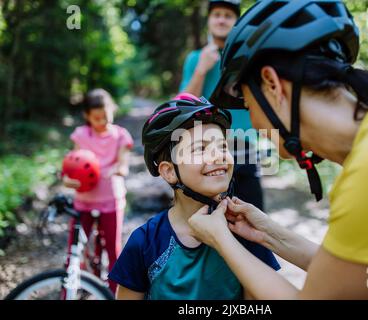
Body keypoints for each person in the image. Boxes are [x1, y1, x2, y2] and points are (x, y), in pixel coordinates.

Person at [188, 0, 368, 299]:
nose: (256, 123)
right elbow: (363, 275)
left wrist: (222, 240)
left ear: (272, 84)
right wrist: (268, 234)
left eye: (248, 105)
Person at [108, 94, 280, 300]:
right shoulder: (144, 243)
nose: (218, 155)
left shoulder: (246, 233)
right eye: (200, 149)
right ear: (169, 172)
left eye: (223, 146)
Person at [179, 0, 265, 210]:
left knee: (252, 218)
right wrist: (201, 69)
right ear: (208, 20)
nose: (221, 19)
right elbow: (180, 106)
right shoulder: (196, 58)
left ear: (236, 23)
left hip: (245, 145)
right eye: (216, 14)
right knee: (209, 216)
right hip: (207, 146)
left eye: (228, 15)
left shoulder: (249, 57)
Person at [63, 88, 133, 294]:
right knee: (75, 249)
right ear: (87, 116)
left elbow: (124, 165)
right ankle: (71, 289)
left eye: (106, 116)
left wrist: (117, 169)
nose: (102, 121)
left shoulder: (121, 135)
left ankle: (113, 293)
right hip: (84, 200)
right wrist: (67, 180)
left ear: (112, 110)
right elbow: (72, 166)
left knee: (113, 249)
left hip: (111, 200)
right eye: (96, 118)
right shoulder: (81, 135)